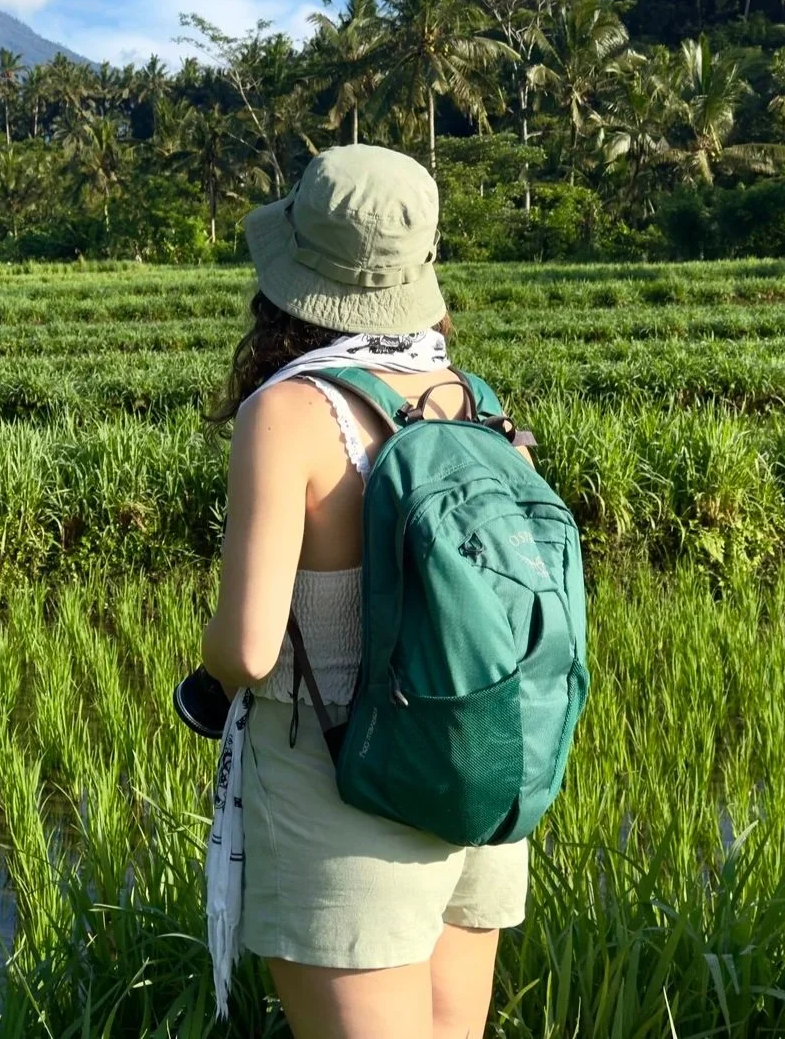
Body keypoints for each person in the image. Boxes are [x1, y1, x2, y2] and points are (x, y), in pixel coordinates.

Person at [199, 145, 526, 1039]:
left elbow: (249, 650)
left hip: (342, 787)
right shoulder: (474, 400)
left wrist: (206, 673)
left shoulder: (292, 412)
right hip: (474, 778)